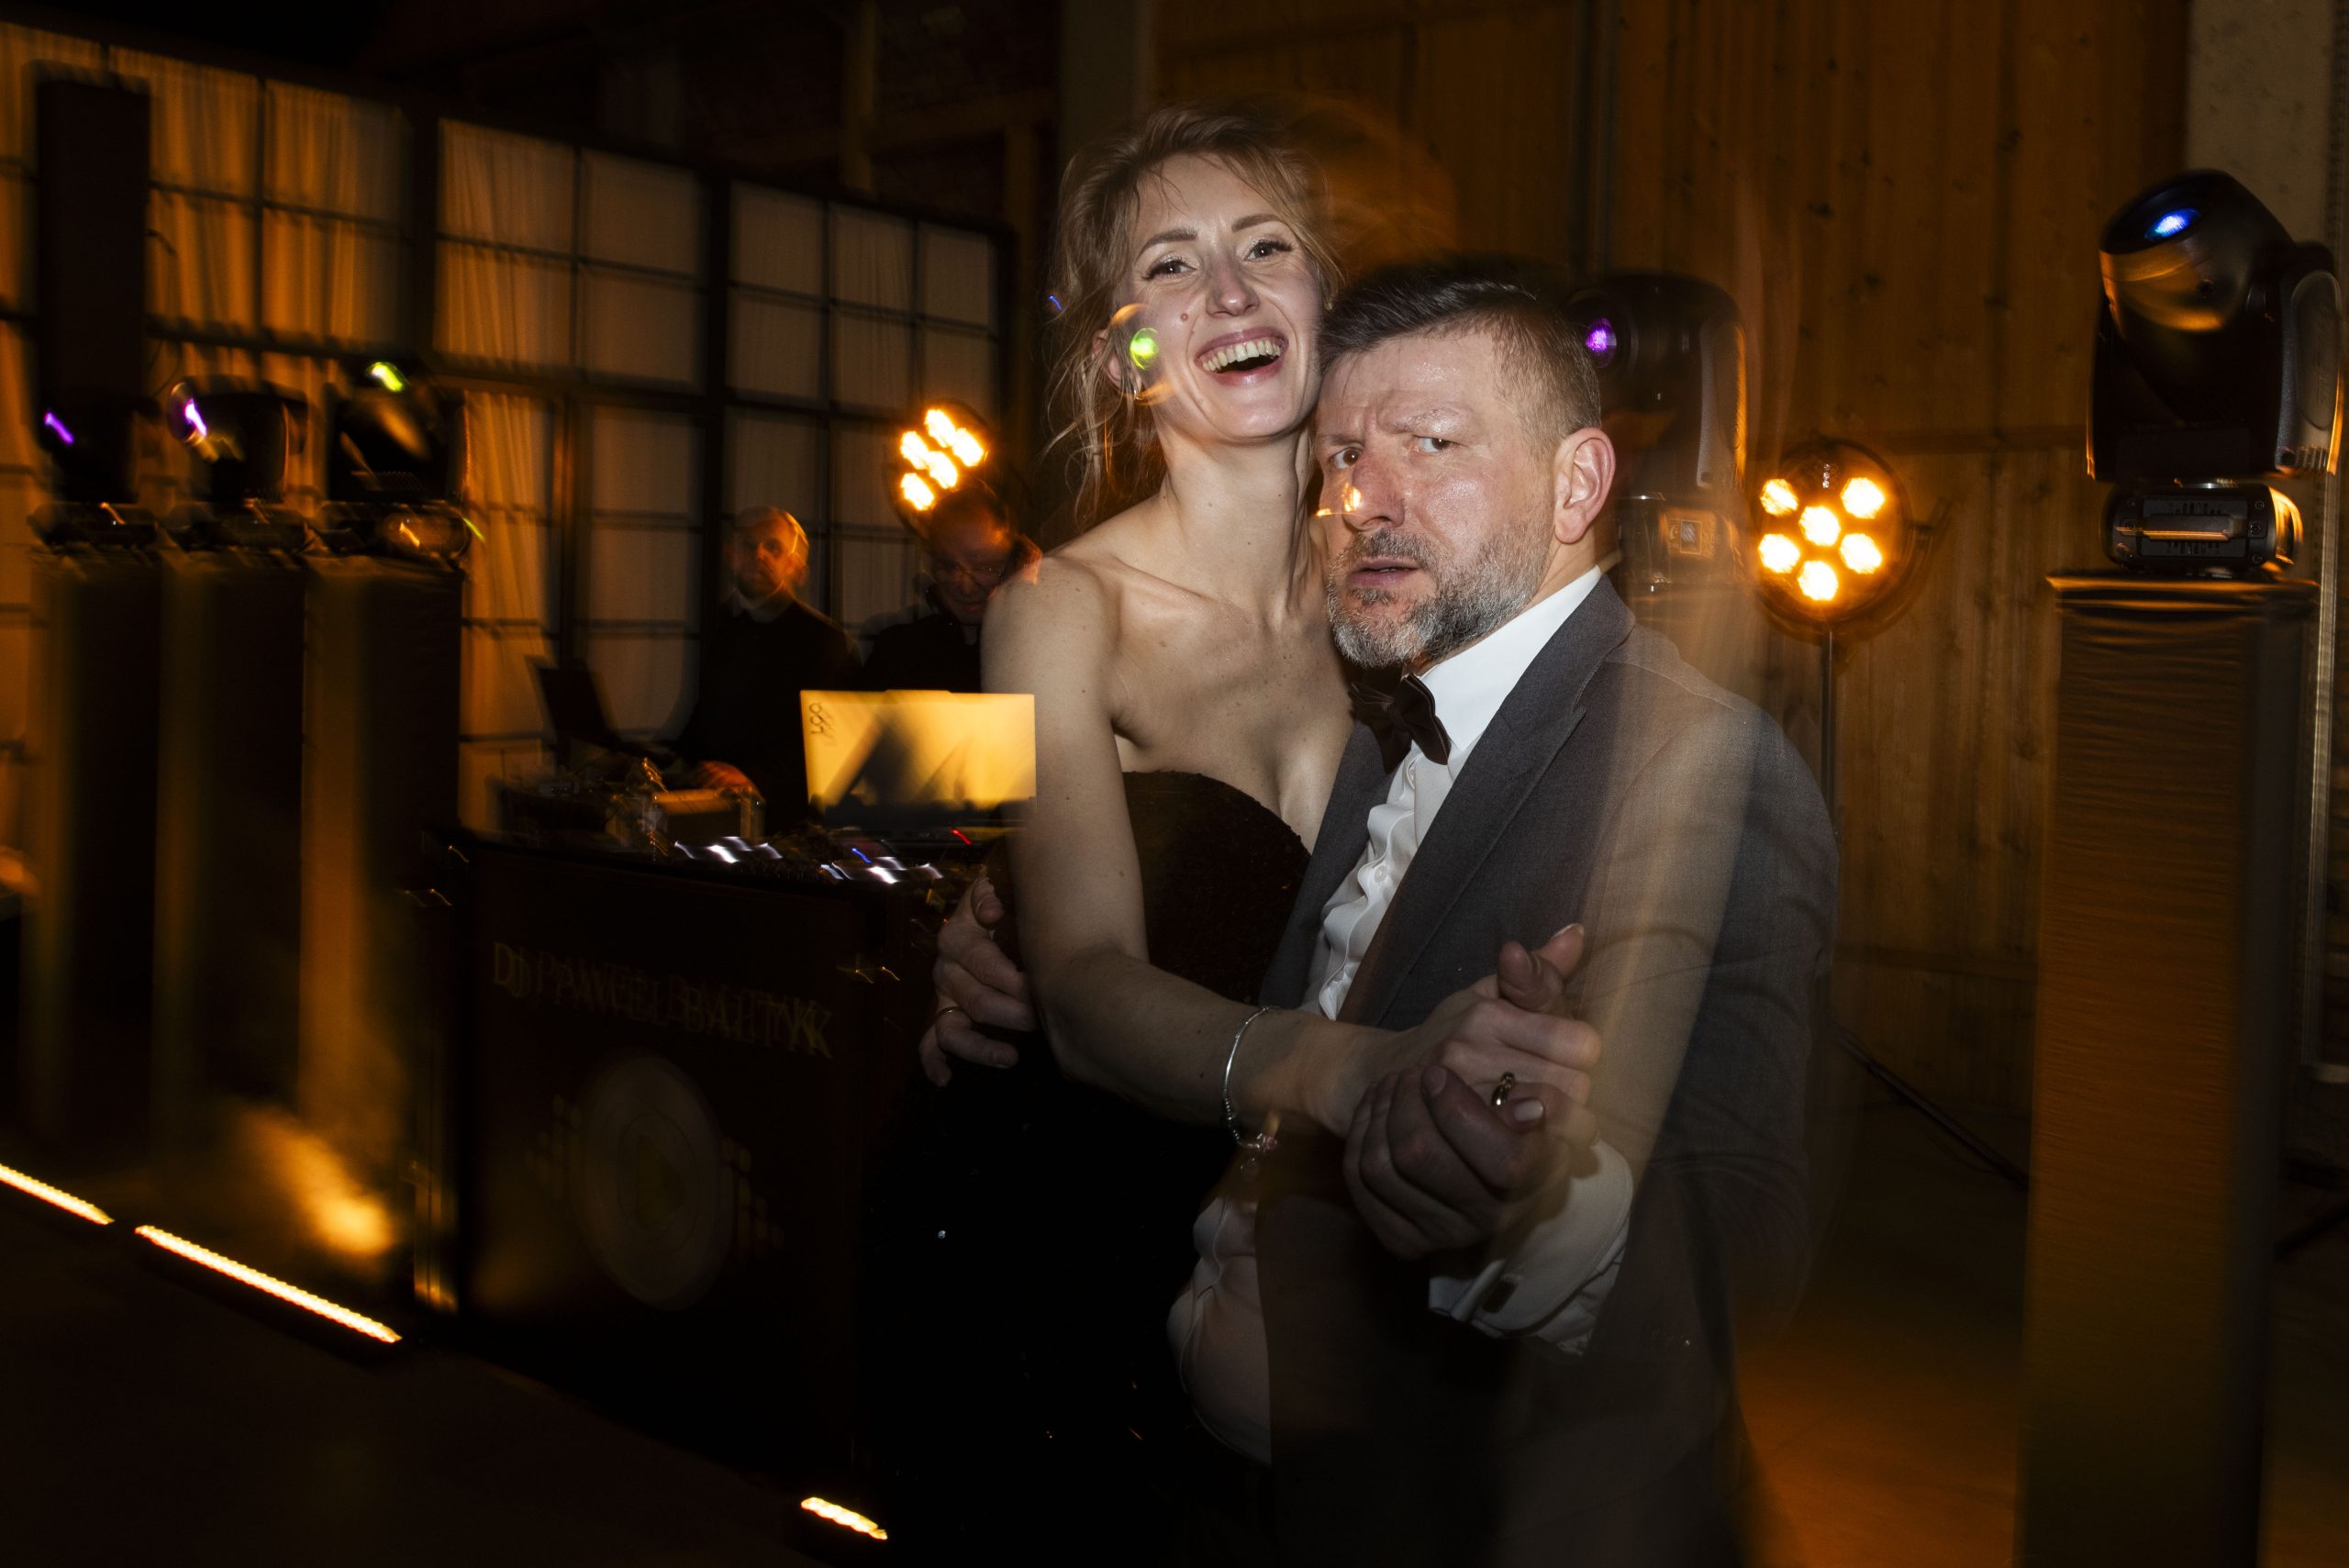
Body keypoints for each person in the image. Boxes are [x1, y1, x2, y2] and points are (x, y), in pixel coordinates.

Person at [938, 254, 1837, 1566]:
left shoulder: (1700, 764)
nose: (1362, 497)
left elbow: (1744, 1241)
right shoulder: (1366, 724)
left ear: (1578, 484)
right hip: (1216, 1480)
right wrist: (1009, 925)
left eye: (1431, 443)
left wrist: (1522, 1202)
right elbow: (1226, 938)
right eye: (1343, 455)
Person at [897, 106, 1603, 1562]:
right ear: (1122, 354)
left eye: (1265, 247)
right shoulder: (1059, 611)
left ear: (1323, 303)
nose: (1226, 291)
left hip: (1324, 1265)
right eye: (1170, 265)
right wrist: (1347, 1074)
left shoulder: (1405, 600)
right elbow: (1082, 982)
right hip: (1078, 1238)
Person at [668, 506, 859, 817]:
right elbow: (706, 717)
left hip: (784, 810)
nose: (758, 555)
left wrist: (754, 777)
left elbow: (831, 742)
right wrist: (666, 761)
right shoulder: (726, 628)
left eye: (773, 547)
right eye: (748, 545)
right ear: (731, 555)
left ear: (795, 566)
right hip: (715, 798)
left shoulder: (823, 640)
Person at [858, 488, 1038, 692]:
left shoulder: (1035, 648)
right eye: (949, 567)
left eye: (986, 567)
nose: (966, 588)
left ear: (1017, 563)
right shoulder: (897, 652)